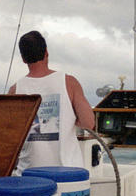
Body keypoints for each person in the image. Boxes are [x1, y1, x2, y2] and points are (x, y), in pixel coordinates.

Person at [8, 31, 95, 174]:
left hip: (28, 175)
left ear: (23, 59)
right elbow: (88, 123)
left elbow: (11, 137)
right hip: (67, 174)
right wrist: (70, 119)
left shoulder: (15, 90)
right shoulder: (69, 83)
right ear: (46, 52)